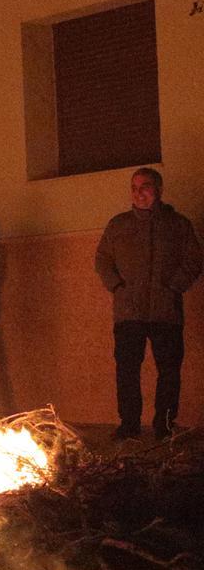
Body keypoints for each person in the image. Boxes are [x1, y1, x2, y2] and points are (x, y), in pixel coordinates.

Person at [94, 168, 202, 440]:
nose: (138, 193)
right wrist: (117, 287)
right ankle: (129, 425)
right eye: (134, 187)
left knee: (169, 371)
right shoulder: (118, 225)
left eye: (145, 186)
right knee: (127, 370)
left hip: (166, 312)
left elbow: (194, 259)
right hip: (128, 313)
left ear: (159, 189)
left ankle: (164, 425)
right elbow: (103, 259)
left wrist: (174, 287)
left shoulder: (178, 225)